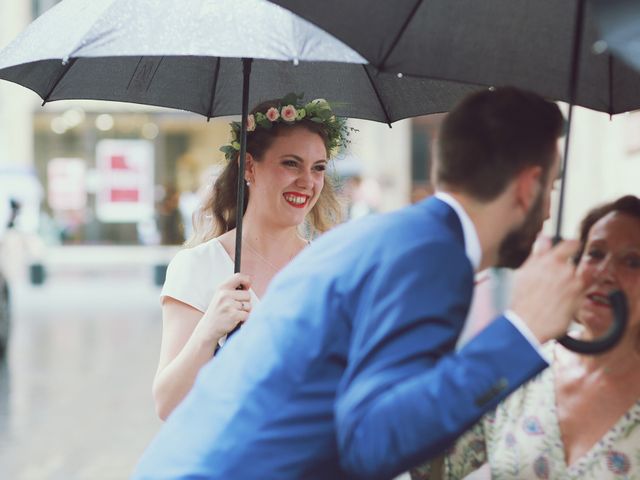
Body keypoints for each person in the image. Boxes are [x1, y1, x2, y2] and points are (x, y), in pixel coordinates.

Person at [134, 87, 584, 480]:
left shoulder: (387, 241)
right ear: (528, 186)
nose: (548, 210)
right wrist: (522, 331)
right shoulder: (430, 256)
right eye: (553, 186)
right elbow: (371, 443)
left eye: (317, 167)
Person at [411, 195, 640, 480]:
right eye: (595, 253)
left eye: (632, 261)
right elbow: (431, 463)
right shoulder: (523, 367)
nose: (605, 273)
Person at [152, 94, 344, 419]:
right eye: (291, 163)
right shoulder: (198, 267)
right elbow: (167, 405)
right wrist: (208, 331)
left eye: (318, 168)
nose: (308, 181)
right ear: (249, 167)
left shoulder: (330, 269)